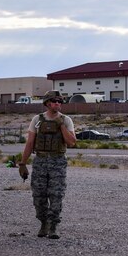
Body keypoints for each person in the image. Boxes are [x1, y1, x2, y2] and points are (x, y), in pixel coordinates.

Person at [18, 91, 76, 239]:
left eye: (60, 101)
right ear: (47, 103)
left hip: (58, 161)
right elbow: (30, 143)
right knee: (39, 196)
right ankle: (44, 223)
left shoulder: (66, 120)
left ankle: (53, 226)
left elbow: (72, 142)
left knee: (56, 195)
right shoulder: (37, 120)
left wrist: (61, 126)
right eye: (55, 101)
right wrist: (23, 163)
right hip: (40, 162)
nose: (58, 103)